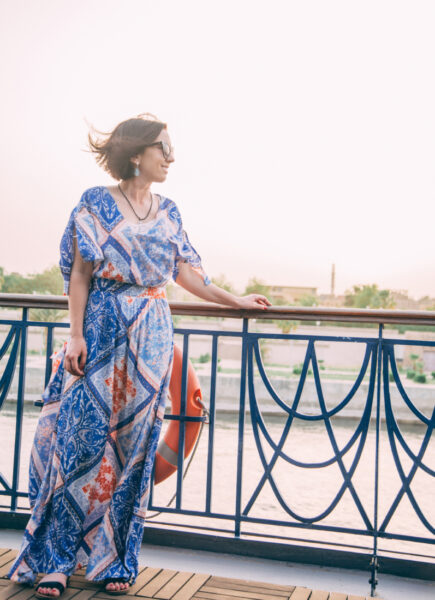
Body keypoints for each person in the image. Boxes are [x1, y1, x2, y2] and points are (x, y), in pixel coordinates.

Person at [7, 113, 271, 598]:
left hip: (150, 333)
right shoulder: (95, 203)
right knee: (80, 443)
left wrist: (237, 301)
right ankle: (56, 559)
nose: (170, 158)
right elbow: (81, 275)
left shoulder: (169, 211)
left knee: (135, 451)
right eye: (162, 149)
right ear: (136, 154)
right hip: (102, 327)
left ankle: (113, 562)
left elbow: (189, 276)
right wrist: (77, 335)